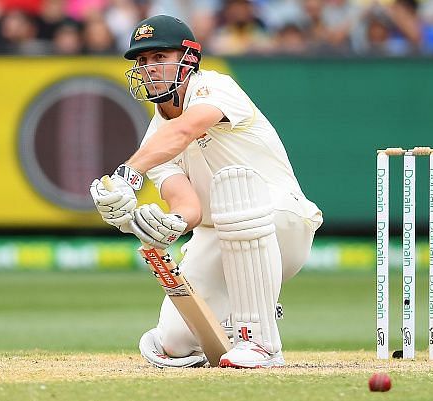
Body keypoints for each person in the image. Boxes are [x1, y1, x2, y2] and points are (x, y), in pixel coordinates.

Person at [89, 14, 323, 369]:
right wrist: (170, 224)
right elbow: (190, 207)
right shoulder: (154, 141)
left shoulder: (216, 88)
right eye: (142, 61)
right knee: (174, 342)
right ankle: (240, 315)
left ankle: (261, 341)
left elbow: (185, 130)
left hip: (281, 222)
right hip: (220, 237)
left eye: (159, 57)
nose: (149, 68)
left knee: (238, 201)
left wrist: (128, 173)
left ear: (188, 60)